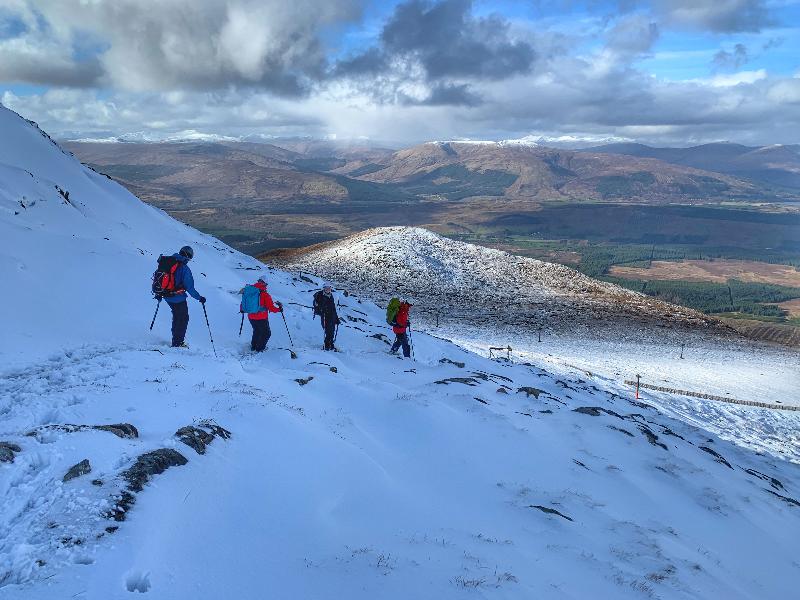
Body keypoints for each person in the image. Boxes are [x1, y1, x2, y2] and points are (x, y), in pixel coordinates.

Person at [164, 246, 206, 348]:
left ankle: (176, 340)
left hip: (166, 295)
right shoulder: (184, 268)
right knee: (183, 319)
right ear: (188, 256)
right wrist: (199, 298)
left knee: (177, 317)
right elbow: (190, 288)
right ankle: (178, 343)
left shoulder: (167, 262)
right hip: (178, 298)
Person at [245, 276, 282, 352]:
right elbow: (271, 308)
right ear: (265, 284)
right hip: (261, 318)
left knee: (257, 331)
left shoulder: (250, 291)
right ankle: (259, 349)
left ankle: (253, 346)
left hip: (251, 316)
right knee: (266, 333)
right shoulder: (265, 295)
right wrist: (279, 309)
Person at [313, 283, 340, 351]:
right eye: (326, 288)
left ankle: (331, 344)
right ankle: (326, 345)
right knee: (327, 331)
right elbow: (317, 305)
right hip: (325, 316)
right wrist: (321, 310)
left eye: (329, 288)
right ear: (324, 288)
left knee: (332, 331)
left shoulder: (331, 296)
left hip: (332, 316)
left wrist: (336, 318)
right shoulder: (320, 296)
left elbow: (333, 308)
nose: (328, 289)